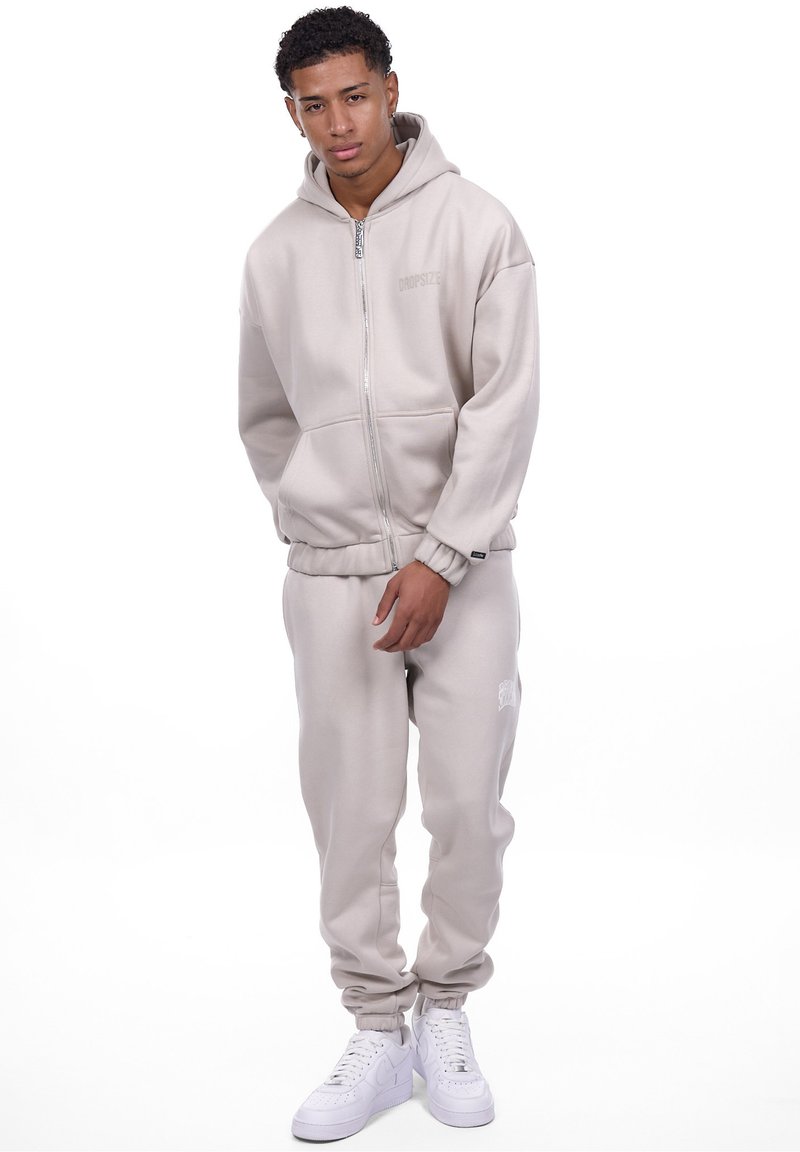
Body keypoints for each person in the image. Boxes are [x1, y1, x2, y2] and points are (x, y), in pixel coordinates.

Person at [238, 6, 540, 1141]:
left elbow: (505, 403)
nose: (339, 124)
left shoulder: (477, 225)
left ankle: (446, 1008)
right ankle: (378, 1031)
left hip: (463, 571)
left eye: (354, 96)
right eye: (314, 105)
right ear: (291, 113)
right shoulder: (275, 254)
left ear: (391, 90)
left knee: (465, 805)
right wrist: (317, 527)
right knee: (350, 817)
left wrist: (442, 554)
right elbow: (265, 417)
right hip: (333, 580)